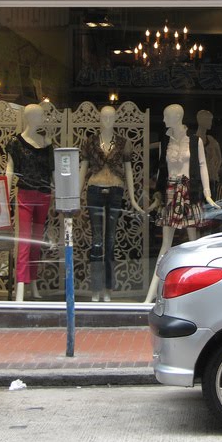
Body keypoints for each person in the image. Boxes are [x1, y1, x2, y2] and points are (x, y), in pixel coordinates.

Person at [144, 103, 220, 302]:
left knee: (194, 245)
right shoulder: (165, 141)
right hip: (170, 194)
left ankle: (198, 295)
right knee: (165, 245)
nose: (163, 120)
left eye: (166, 116)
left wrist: (207, 194)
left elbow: (202, 166)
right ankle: (150, 295)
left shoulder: (195, 141)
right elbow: (161, 171)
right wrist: (157, 195)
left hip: (189, 193)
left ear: (177, 117)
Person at [79, 105, 143, 303]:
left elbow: (128, 170)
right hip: (94, 190)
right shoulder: (90, 142)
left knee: (111, 241)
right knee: (97, 240)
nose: (107, 120)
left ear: (115, 119)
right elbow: (83, 168)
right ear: (99, 118)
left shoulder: (123, 143)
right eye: (104, 117)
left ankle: (108, 288)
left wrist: (133, 198)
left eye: (111, 117)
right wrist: (75, 194)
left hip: (115, 190)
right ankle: (96, 289)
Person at [6, 103, 54, 302]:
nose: (42, 119)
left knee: (36, 241)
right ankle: (20, 286)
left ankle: (32, 283)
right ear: (30, 117)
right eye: (40, 115)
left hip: (44, 195)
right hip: (25, 194)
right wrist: (4, 193)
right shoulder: (15, 143)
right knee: (24, 241)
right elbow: (10, 169)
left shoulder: (47, 143)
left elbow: (52, 172)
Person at [195, 109, 222, 191]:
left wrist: (214, 171)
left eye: (211, 120)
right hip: (197, 180)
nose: (210, 123)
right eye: (208, 120)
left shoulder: (212, 141)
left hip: (211, 179)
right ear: (200, 120)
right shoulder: (193, 141)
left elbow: (219, 159)